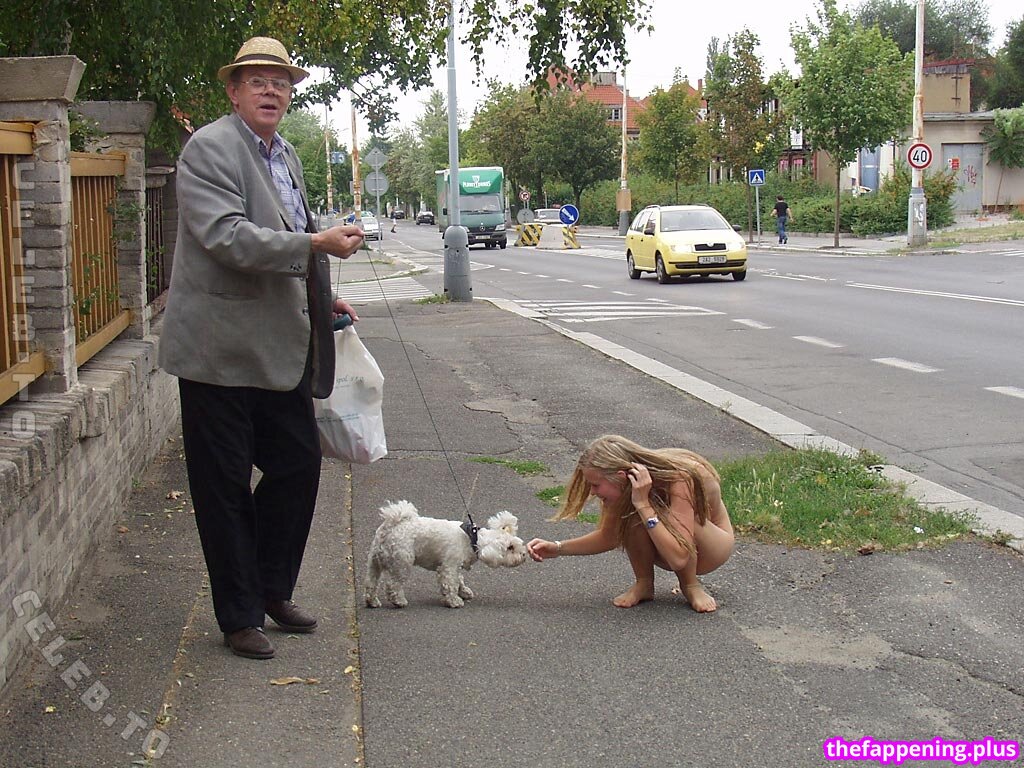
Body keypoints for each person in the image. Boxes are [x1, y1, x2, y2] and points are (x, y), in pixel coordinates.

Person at [158, 37, 366, 660]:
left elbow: (292, 233)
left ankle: (271, 589)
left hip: (278, 345)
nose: (271, 90)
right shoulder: (209, 148)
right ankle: (239, 614)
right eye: (257, 80)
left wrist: (323, 298)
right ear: (234, 91)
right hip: (216, 350)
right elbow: (228, 237)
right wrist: (315, 246)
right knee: (222, 486)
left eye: (281, 81)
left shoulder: (288, 155)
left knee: (298, 465)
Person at [526, 435, 735, 612]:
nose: (592, 492)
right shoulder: (627, 484)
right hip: (670, 545)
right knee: (635, 511)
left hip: (710, 548)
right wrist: (558, 548)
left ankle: (691, 585)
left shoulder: (680, 476)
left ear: (619, 476)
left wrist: (643, 504)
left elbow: (679, 558)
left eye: (596, 485)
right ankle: (644, 583)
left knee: (653, 509)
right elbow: (609, 536)